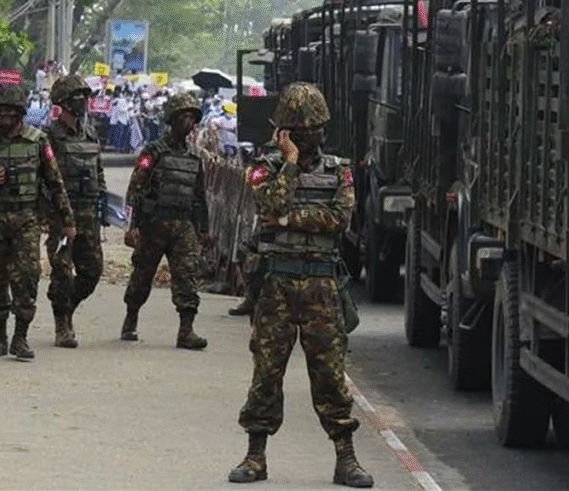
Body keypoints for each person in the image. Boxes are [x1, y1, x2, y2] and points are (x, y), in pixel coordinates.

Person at [228, 82, 372, 488]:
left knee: (329, 374)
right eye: (300, 132)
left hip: (322, 286)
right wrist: (289, 165)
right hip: (276, 282)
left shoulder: (339, 170)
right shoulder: (264, 167)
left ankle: (346, 458)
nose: (311, 138)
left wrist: (292, 219)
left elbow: (339, 219)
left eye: (314, 131)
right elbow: (269, 205)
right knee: (266, 372)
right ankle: (255, 456)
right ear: (284, 133)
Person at [0, 84, 75, 361]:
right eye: (0, 111)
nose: (5, 115)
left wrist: (68, 221)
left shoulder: (38, 142)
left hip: (26, 221)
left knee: (26, 277)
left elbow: (55, 183)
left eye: (11, 111)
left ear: (21, 112)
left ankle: (20, 338)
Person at [120, 92, 209, 350]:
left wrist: (204, 229)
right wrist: (132, 226)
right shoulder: (153, 152)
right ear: (172, 119)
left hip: (183, 227)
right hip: (154, 224)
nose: (188, 122)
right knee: (142, 275)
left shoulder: (195, 157)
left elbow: (200, 196)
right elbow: (135, 187)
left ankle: (186, 330)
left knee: (187, 277)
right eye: (183, 117)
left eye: (192, 118)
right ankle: (131, 317)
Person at [44, 74, 107, 348]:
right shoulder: (50, 136)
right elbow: (44, 177)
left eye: (85, 96)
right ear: (64, 102)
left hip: (89, 213)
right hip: (62, 215)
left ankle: (67, 305)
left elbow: (99, 171)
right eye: (77, 97)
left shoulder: (91, 133)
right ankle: (62, 324)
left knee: (92, 271)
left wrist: (103, 203)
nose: (83, 101)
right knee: (61, 270)